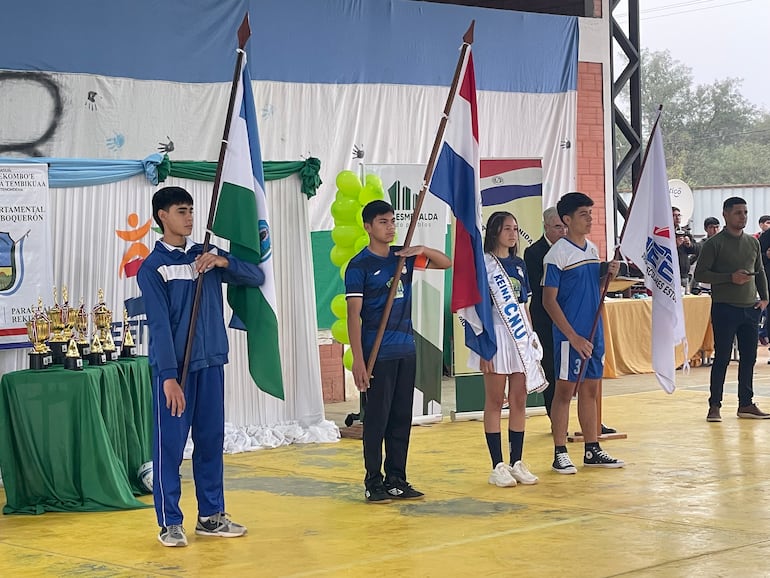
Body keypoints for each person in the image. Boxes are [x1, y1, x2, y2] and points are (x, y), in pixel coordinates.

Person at [137, 186, 265, 547]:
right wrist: (167, 378)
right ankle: (170, 523)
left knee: (210, 442)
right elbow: (160, 328)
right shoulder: (153, 268)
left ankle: (211, 517)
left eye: (192, 210)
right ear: (162, 216)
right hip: (177, 374)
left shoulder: (205, 255)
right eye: (181, 211)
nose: (190, 217)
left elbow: (255, 276)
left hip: (211, 365)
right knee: (170, 448)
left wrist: (224, 262)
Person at [345, 200, 451, 503]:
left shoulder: (401, 258)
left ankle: (397, 479)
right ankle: (373, 481)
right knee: (377, 419)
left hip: (406, 348)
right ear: (368, 227)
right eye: (382, 222)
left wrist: (421, 250)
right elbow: (354, 315)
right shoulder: (359, 266)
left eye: (392, 221)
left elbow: (445, 263)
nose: (390, 227)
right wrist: (359, 361)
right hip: (378, 353)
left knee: (402, 417)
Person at [542, 192, 624, 474]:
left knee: (591, 390)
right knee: (564, 392)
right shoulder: (557, 254)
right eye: (583, 214)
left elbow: (591, 285)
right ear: (567, 220)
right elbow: (548, 300)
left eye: (591, 213)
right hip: (571, 335)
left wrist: (607, 273)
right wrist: (572, 336)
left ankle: (592, 448)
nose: (590, 219)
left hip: (593, 331)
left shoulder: (591, 248)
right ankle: (560, 451)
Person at [469, 211, 543, 488]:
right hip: (495, 337)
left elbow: (524, 306)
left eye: (515, 228)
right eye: (507, 228)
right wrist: (483, 347)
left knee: (519, 399)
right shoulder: (484, 265)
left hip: (520, 338)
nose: (513, 234)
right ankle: (497, 464)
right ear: (495, 232)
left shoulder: (520, 265)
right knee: (495, 400)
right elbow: (476, 312)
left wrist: (532, 338)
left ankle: (517, 462)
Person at [694, 196, 770, 422]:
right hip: (724, 308)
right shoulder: (714, 243)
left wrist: (765, 298)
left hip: (750, 307)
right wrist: (729, 278)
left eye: (745, 212)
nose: (743, 216)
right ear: (726, 214)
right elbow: (700, 275)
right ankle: (714, 405)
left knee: (749, 358)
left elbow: (760, 271)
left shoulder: (753, 242)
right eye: (738, 212)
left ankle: (745, 403)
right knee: (723, 357)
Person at [523, 207, 565, 420]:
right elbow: (539, 289)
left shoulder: (573, 249)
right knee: (551, 369)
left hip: (569, 317)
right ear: (546, 226)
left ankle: (591, 419)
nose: (563, 231)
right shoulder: (534, 252)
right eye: (558, 227)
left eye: (565, 227)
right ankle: (555, 418)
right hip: (545, 319)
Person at [672, 206, 697, 292]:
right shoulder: (663, 232)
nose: (677, 218)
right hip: (670, 274)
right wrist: (675, 244)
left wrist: (689, 245)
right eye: (674, 215)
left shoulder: (685, 232)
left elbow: (695, 250)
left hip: (683, 274)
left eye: (679, 215)